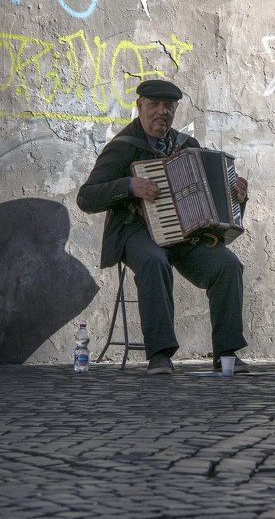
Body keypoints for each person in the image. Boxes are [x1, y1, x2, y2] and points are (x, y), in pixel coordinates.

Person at [77, 79, 250, 375]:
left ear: (175, 109)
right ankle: (159, 355)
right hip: (137, 233)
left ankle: (226, 353)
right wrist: (130, 185)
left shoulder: (188, 146)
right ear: (139, 106)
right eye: (154, 105)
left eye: (168, 106)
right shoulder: (122, 147)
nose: (161, 112)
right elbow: (87, 197)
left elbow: (212, 202)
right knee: (154, 261)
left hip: (186, 236)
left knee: (228, 265)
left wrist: (237, 195)